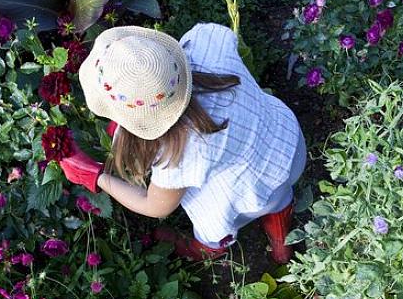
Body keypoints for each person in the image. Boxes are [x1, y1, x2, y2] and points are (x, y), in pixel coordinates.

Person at [59, 22, 306, 263]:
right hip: (286, 145)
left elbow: (156, 206)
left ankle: (206, 250)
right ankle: (281, 242)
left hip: (248, 195)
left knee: (213, 228)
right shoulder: (208, 42)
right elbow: (223, 39)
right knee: (280, 196)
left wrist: (97, 177)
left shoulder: (173, 155)